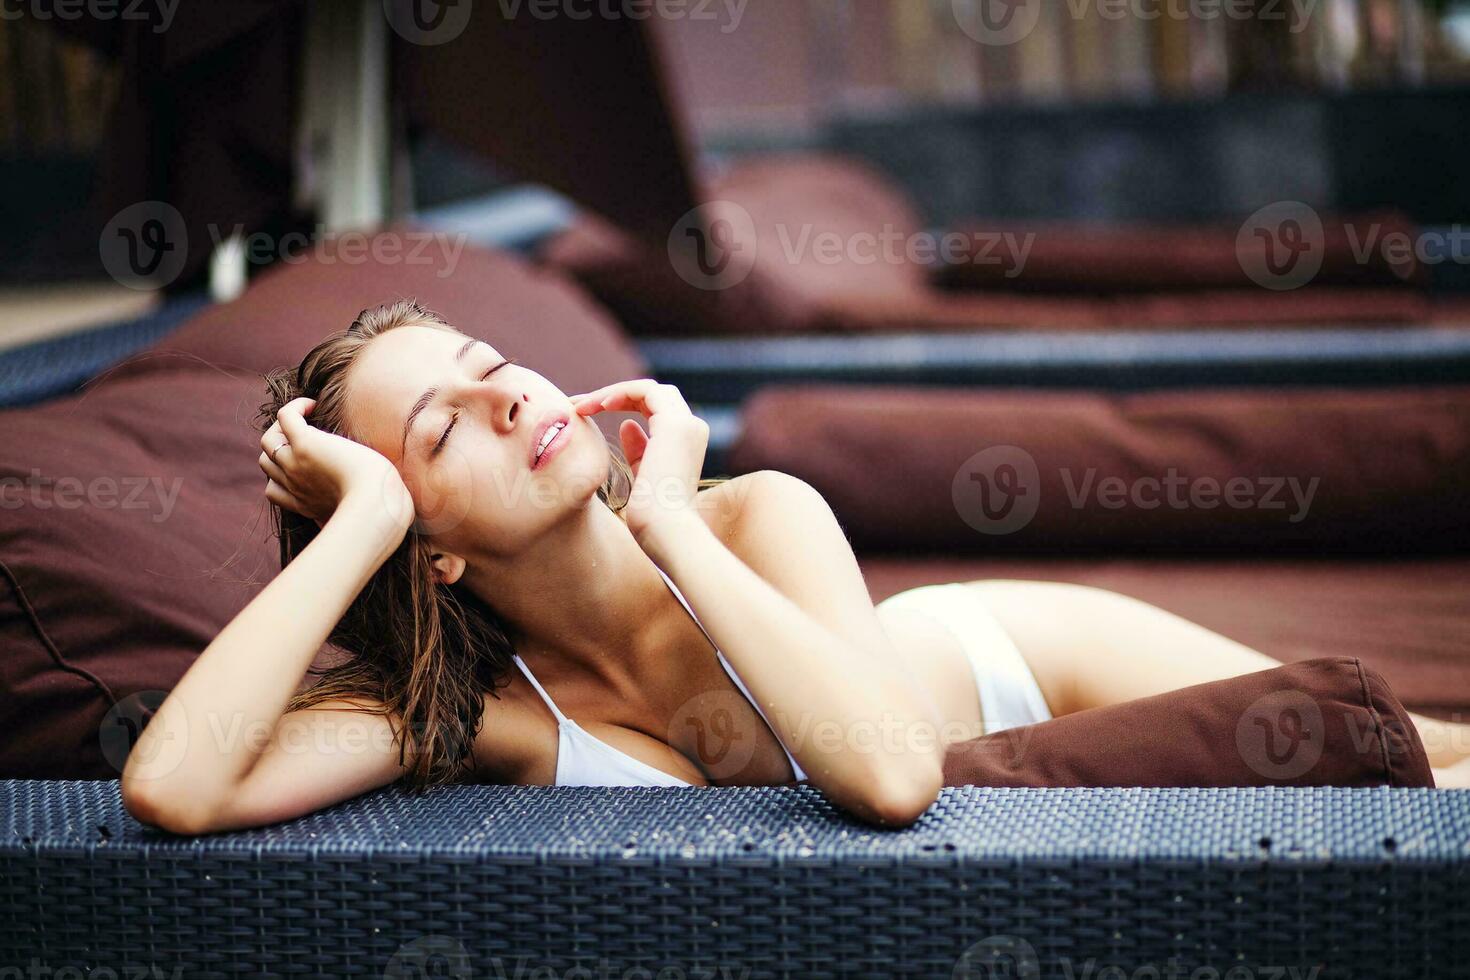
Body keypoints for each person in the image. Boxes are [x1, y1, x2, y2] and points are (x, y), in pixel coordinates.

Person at [120, 300, 1470, 835]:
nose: (511, 400)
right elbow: (174, 790)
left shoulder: (759, 512)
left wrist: (670, 523)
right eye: (442, 428)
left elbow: (888, 757)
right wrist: (356, 522)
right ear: (439, 553)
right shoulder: (498, 721)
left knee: (1439, 759)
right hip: (942, 749)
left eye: (491, 369)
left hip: (1021, 662)